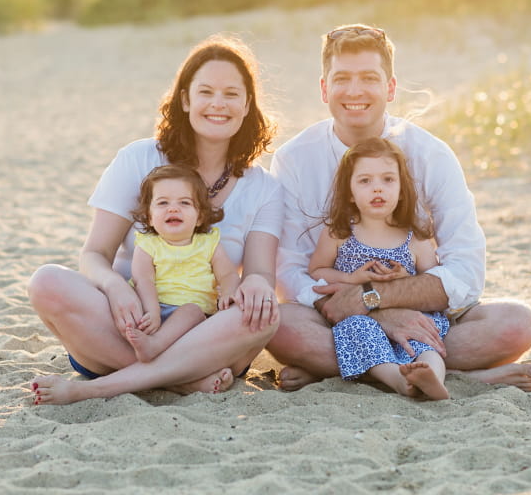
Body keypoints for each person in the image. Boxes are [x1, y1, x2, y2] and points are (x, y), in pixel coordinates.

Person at [267, 23, 531, 392]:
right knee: (278, 325)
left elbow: (466, 272)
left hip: (423, 319)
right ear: (323, 88)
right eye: (342, 78)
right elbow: (290, 272)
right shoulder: (295, 160)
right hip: (339, 318)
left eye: (369, 78)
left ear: (390, 88)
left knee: (518, 324)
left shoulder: (432, 155)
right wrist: (382, 317)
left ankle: (347, 370)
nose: (355, 91)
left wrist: (376, 300)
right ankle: (455, 376)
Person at [29, 34, 282, 405]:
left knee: (266, 315)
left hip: (204, 332)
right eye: (206, 92)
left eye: (231, 94)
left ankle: (100, 388)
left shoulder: (264, 187)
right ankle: (183, 382)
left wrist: (258, 285)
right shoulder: (138, 159)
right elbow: (94, 254)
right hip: (127, 325)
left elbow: (260, 274)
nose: (218, 104)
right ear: (185, 100)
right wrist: (115, 288)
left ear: (247, 105)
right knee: (46, 282)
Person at [309, 137, 450, 400]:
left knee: (425, 342)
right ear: (349, 192)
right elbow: (317, 271)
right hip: (363, 319)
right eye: (365, 181)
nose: (378, 189)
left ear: (401, 188)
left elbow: (432, 279)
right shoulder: (338, 233)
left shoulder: (415, 237)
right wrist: (351, 278)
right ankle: (398, 380)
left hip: (409, 315)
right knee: (358, 331)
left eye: (388, 180)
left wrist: (406, 278)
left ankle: (432, 377)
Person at [124, 164, 240, 363]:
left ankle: (155, 347)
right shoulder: (147, 245)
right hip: (154, 311)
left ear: (200, 216)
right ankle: (154, 346)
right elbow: (143, 280)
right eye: (162, 203)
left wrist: (229, 291)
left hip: (197, 318)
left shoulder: (208, 243)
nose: (173, 208)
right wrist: (153, 311)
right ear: (149, 217)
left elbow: (228, 274)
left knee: (192, 311)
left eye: (185, 203)